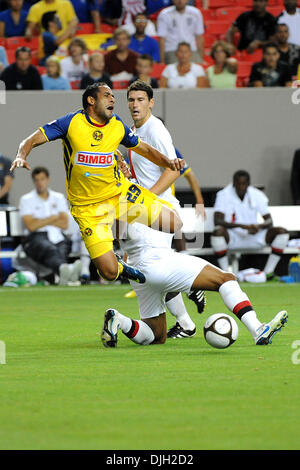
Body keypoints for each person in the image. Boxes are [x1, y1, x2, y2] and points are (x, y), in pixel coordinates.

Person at [10, 82, 185, 287]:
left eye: (113, 95)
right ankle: (123, 265)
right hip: (87, 208)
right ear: (91, 101)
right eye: (107, 95)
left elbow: (144, 149)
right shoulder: (71, 123)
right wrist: (21, 156)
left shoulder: (117, 125)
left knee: (174, 224)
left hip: (119, 195)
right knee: (109, 273)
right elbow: (31, 139)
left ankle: (145, 252)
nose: (113, 99)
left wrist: (169, 162)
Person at [101, 219, 288, 348]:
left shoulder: (108, 202)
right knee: (225, 279)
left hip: (136, 267)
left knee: (156, 335)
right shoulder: (134, 192)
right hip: (158, 260)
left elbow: (116, 234)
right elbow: (175, 222)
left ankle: (119, 320)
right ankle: (257, 329)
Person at [124, 79, 205, 337]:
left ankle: (191, 284)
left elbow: (175, 170)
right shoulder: (132, 132)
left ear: (151, 103)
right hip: (146, 209)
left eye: (140, 100)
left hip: (159, 209)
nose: (135, 104)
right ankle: (186, 323)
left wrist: (146, 197)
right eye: (131, 100)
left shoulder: (155, 129)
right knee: (142, 267)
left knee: (151, 269)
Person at [210, 170, 289, 281]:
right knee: (217, 232)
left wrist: (258, 227)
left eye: (244, 184)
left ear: (248, 184)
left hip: (254, 235)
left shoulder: (257, 194)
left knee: (282, 232)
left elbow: (269, 221)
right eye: (238, 183)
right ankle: (226, 275)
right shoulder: (224, 194)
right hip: (233, 237)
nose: (241, 187)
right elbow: (217, 221)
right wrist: (241, 226)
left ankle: (268, 273)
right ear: (234, 183)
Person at [19, 166, 82, 285]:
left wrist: (40, 220)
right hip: (35, 238)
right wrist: (53, 218)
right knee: (49, 248)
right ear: (34, 181)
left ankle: (64, 275)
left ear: (47, 179)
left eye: (42, 179)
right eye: (37, 180)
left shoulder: (58, 198)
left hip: (58, 235)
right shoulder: (26, 199)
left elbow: (64, 224)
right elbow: (31, 226)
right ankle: (67, 270)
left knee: (62, 248)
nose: (40, 183)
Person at [157, 0, 204, 64]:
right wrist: (162, 61)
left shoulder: (196, 13)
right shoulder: (164, 14)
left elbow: (199, 37)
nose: (180, 1)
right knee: (175, 71)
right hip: (172, 50)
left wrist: (201, 58)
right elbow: (162, 39)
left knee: (199, 68)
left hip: (191, 50)